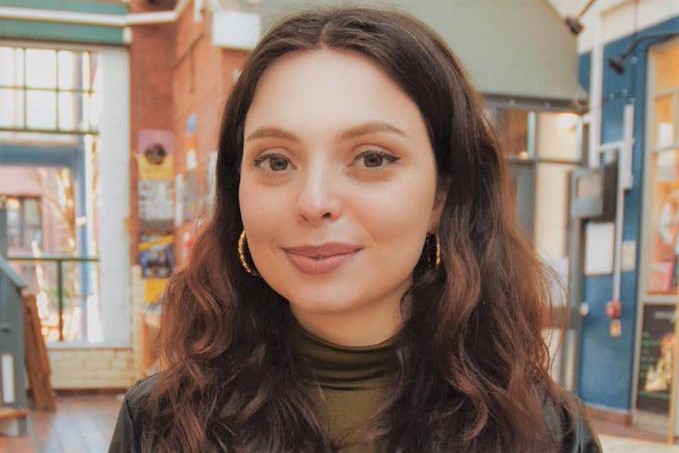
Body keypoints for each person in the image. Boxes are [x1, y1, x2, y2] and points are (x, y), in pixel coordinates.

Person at [109, 6, 601, 453]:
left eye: (372, 158)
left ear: (441, 197)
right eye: (276, 161)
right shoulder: (160, 425)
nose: (314, 202)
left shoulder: (547, 433)